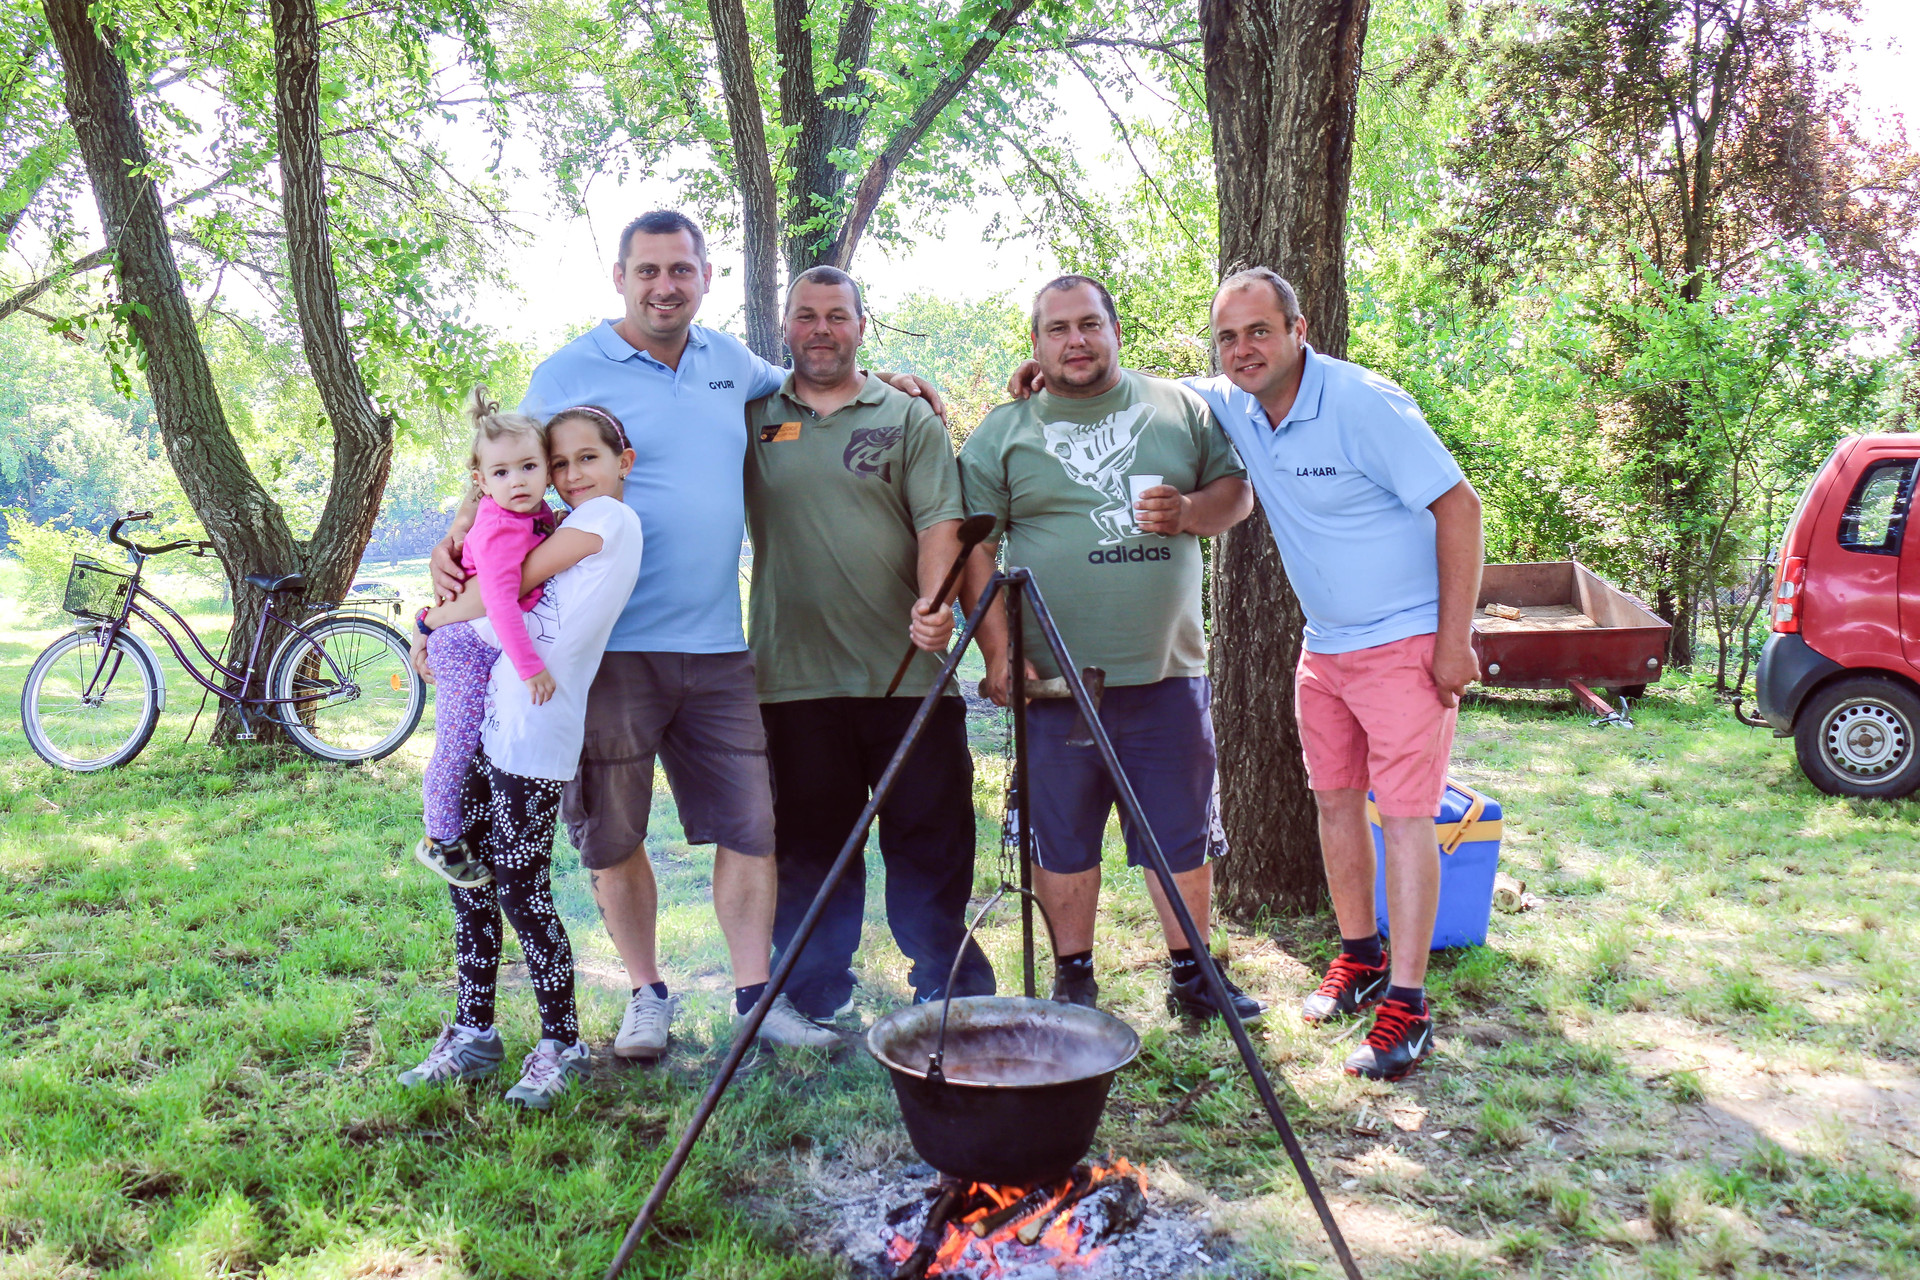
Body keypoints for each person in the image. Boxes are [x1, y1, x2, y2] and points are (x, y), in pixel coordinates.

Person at [429, 211, 945, 1060]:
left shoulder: (729, 363)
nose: (665, 286)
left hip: (717, 649)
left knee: (752, 828)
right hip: (605, 653)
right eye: (648, 270)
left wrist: (888, 379)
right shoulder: (568, 370)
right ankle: (647, 995)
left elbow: (814, 376)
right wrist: (458, 537)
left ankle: (755, 999)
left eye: (681, 270)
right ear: (620, 278)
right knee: (614, 835)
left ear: (706, 276)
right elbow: (502, 467)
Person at [1195, 268, 1484, 1082]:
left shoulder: (1362, 403)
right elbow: (1138, 390)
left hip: (1406, 644)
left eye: (1259, 330)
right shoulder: (1235, 403)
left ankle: (1409, 1008)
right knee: (1334, 804)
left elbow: (1460, 507)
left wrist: (1453, 643)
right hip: (1324, 649)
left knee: (1407, 819)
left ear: (1298, 330)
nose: (1243, 349)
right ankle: (1359, 958)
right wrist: (1051, 374)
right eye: (1227, 337)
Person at [959, 273, 1264, 1023]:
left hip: (1168, 671)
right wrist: (998, 654)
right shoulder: (1003, 431)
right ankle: (1074, 978)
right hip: (1055, 685)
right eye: (1057, 329)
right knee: (1062, 836)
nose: (1076, 340)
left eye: (1089, 324)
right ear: (1036, 344)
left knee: (1182, 833)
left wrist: (1188, 510)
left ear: (1115, 330)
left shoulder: (1180, 407)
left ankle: (1194, 974)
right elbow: (975, 552)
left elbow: (1237, 493)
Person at [744, 265, 995, 1021]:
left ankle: (946, 985)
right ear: (785, 325)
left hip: (908, 674)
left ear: (861, 325)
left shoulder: (908, 414)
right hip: (793, 677)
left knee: (930, 838)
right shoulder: (751, 415)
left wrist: (934, 603)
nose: (821, 329)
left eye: (837, 315)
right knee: (810, 845)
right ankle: (815, 989)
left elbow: (940, 522)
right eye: (806, 315)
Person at [398, 406, 643, 1109]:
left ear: (622, 462)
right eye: (559, 463)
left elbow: (497, 587)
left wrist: (429, 619)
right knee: (472, 886)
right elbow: (488, 575)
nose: (571, 474)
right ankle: (474, 1033)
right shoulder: (554, 523)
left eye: (586, 459)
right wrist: (458, 540)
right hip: (492, 723)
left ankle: (562, 1043)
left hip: (534, 741)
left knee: (522, 891)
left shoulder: (610, 520)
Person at [414, 389, 559, 889]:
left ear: (548, 469)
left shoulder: (533, 514)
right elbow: (498, 602)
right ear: (480, 482)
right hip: (465, 644)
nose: (516, 481)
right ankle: (439, 839)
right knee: (456, 742)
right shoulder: (498, 530)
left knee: (475, 739)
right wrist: (530, 667)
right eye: (501, 473)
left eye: (528, 467)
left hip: (478, 639)